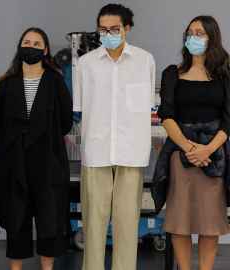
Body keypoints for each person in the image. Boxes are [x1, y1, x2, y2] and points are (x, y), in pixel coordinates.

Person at [74, 4, 155, 270]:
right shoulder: (85, 64)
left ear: (127, 28)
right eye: (103, 29)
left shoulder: (145, 60)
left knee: (127, 225)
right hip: (96, 153)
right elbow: (80, 109)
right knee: (94, 227)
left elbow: (147, 106)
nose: (108, 33)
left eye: (114, 29)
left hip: (131, 153)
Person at [0, 27, 73, 270]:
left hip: (48, 162)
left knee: (50, 219)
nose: (31, 46)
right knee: (16, 218)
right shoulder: (6, 84)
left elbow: (66, 121)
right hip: (14, 162)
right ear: (19, 47)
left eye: (37, 43)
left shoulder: (56, 81)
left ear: (45, 50)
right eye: (27, 42)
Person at [155, 15, 230, 270]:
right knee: (180, 222)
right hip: (181, 156)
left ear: (212, 38)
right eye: (190, 33)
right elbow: (166, 116)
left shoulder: (226, 75)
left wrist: (208, 149)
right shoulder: (172, 74)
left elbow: (228, 120)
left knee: (211, 224)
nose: (193, 37)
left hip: (214, 156)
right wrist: (189, 148)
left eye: (199, 33)